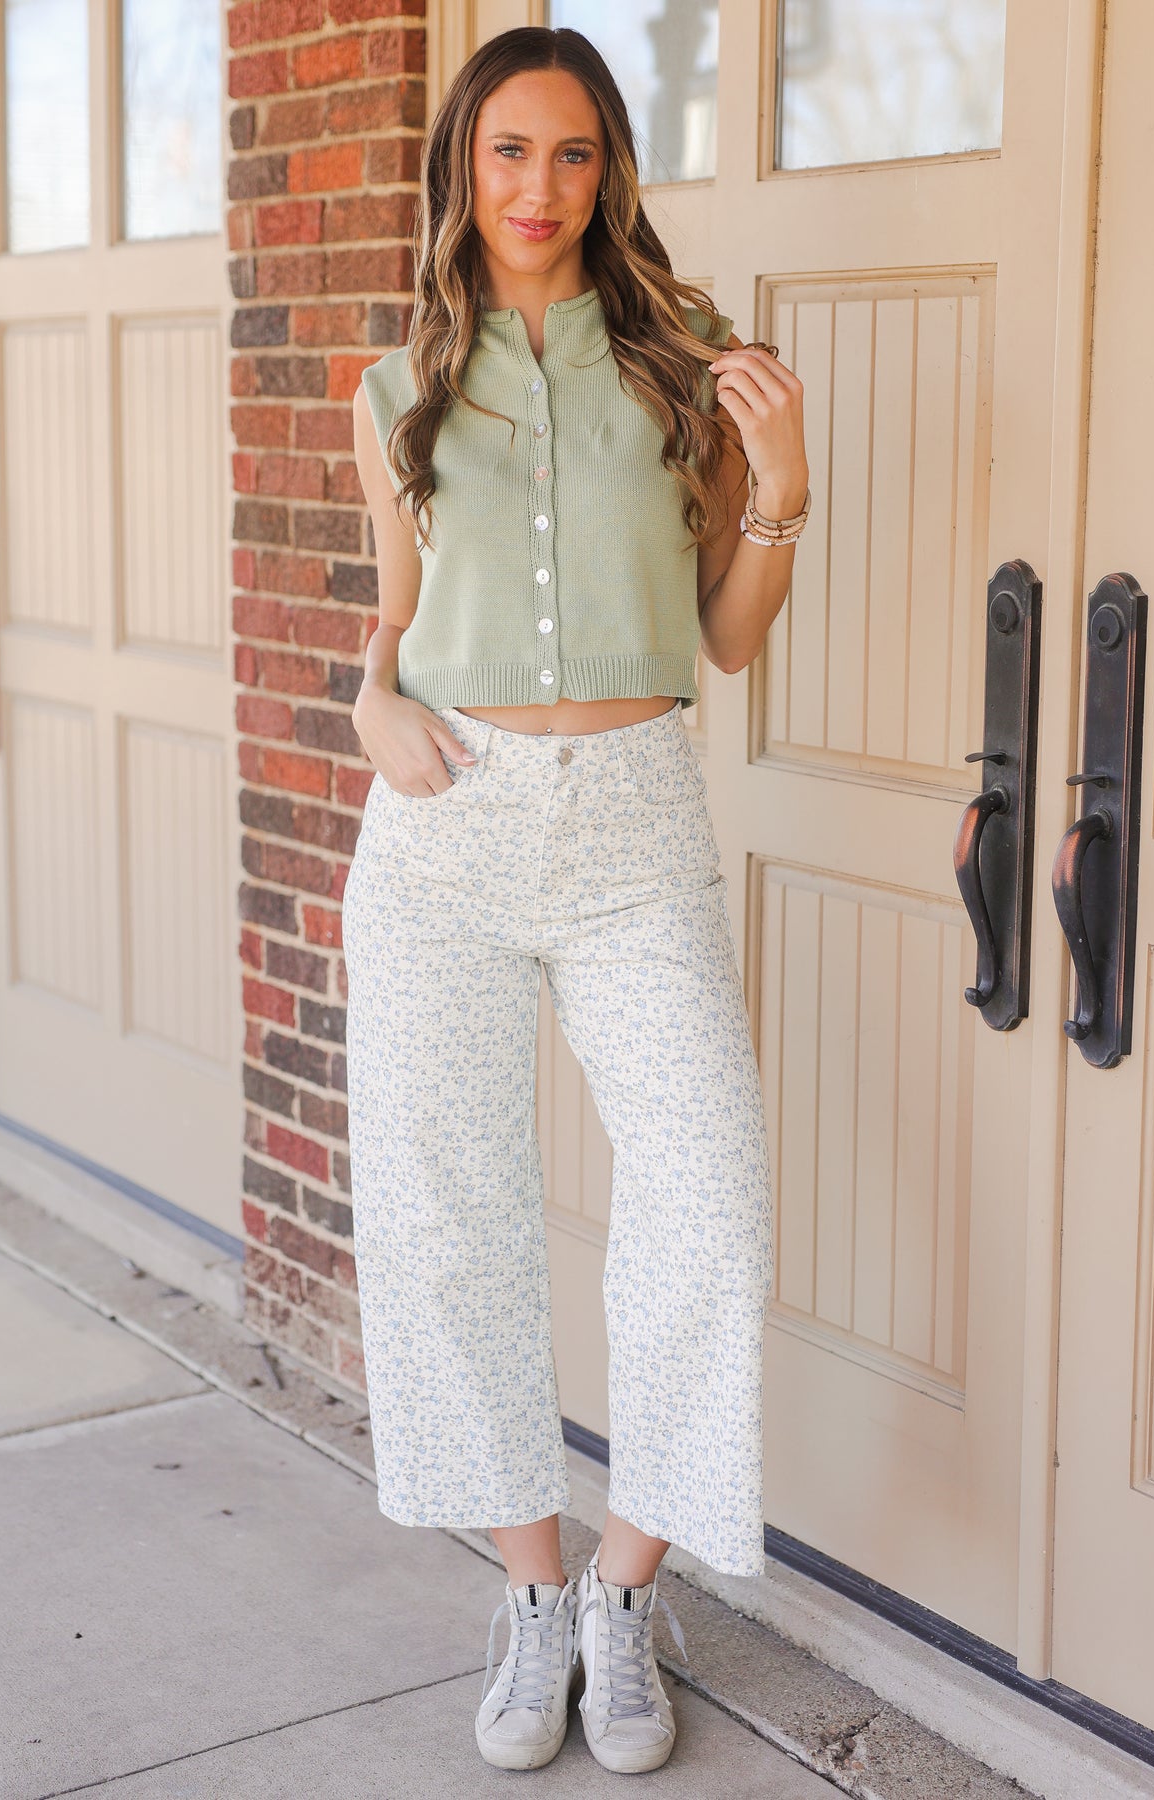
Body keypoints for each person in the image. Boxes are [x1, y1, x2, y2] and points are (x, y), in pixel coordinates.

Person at [344, 23, 809, 1778]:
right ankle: (532, 1597)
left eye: (575, 155)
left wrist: (787, 495)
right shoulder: (401, 384)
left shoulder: (682, 355)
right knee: (449, 1218)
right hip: (444, 824)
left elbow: (722, 635)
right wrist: (370, 704)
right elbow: (390, 632)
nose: (540, 190)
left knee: (707, 1209)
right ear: (463, 169)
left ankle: (630, 1591)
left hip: (631, 822)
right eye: (508, 153)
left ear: (611, 171)